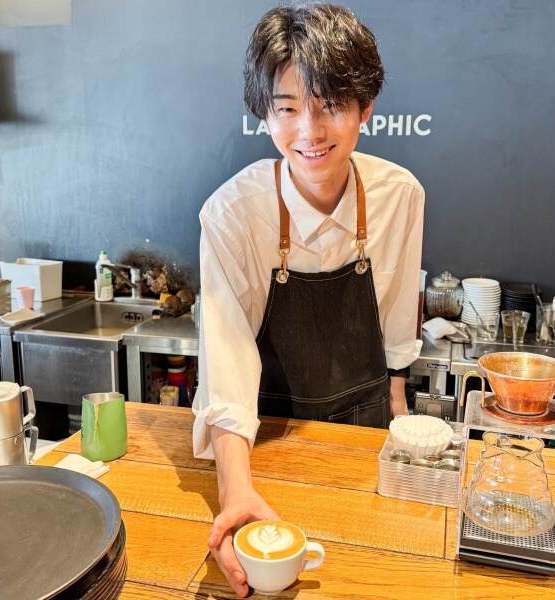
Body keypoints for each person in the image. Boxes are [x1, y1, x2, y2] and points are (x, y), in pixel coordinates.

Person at [192, 4, 424, 596]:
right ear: (266, 114)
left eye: (330, 106)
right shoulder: (232, 214)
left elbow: (398, 318)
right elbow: (227, 359)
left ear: (365, 108)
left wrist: (398, 411)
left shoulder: (399, 195)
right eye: (288, 109)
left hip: (362, 433)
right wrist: (236, 491)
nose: (310, 132)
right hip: (264, 440)